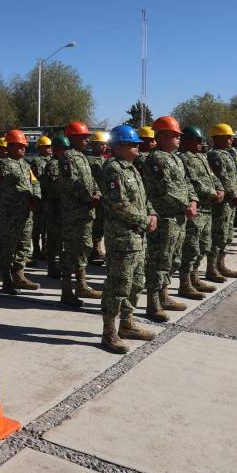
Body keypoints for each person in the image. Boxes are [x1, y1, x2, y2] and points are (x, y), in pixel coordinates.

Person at [99, 124, 158, 353]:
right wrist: (145, 220)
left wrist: (151, 213)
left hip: (138, 237)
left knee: (136, 282)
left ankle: (127, 324)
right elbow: (118, 203)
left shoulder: (131, 168)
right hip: (122, 238)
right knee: (118, 285)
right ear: (120, 147)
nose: (138, 149)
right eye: (134, 145)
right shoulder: (113, 169)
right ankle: (109, 333)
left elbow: (143, 198)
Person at [141, 116, 198, 322]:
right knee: (159, 261)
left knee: (173, 259)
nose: (179, 139)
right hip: (165, 218)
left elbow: (186, 183)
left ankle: (164, 296)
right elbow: (165, 189)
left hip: (179, 218)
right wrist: (185, 205)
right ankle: (153, 304)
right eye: (175, 136)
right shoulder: (156, 159)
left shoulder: (176, 158)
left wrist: (193, 200)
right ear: (162, 136)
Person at [59, 121, 103, 307]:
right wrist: (88, 198)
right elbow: (73, 182)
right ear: (73, 138)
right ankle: (67, 291)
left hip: (85, 212)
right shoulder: (67, 158)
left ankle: (82, 285)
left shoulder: (83, 157)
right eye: (83, 137)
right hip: (73, 214)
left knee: (84, 248)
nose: (87, 140)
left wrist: (98, 193)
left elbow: (91, 180)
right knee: (71, 251)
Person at [178, 125, 224, 300]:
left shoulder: (202, 157)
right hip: (196, 209)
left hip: (207, 209)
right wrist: (211, 193)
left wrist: (219, 188)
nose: (200, 144)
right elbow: (191, 182)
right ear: (187, 141)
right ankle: (185, 283)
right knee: (191, 248)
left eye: (201, 141)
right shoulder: (184, 158)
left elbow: (212, 176)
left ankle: (194, 277)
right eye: (197, 140)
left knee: (204, 246)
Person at [0, 129, 41, 294]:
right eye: (20, 146)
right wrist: (25, 197)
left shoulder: (25, 165)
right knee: (9, 246)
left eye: (24, 146)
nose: (24, 149)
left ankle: (19, 275)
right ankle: (7, 280)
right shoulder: (4, 164)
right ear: (10, 146)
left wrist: (36, 196)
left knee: (23, 245)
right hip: (11, 213)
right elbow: (5, 185)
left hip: (26, 212)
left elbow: (35, 182)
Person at [207, 124, 237, 281]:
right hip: (223, 202)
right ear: (218, 138)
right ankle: (212, 268)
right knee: (218, 234)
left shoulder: (229, 154)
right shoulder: (214, 155)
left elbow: (236, 175)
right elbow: (222, 177)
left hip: (232, 201)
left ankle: (221, 264)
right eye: (228, 137)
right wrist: (233, 193)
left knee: (227, 234)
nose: (231, 140)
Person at [41, 135, 69, 279]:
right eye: (61, 149)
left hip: (63, 206)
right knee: (53, 238)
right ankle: (52, 266)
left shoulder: (65, 162)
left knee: (63, 239)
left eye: (65, 149)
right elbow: (53, 185)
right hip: (54, 206)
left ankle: (60, 266)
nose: (64, 151)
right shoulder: (52, 164)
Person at [28, 136, 54, 262]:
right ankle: (36, 249)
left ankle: (45, 248)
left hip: (50, 197)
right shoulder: (36, 161)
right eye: (47, 147)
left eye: (50, 147)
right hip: (40, 197)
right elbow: (34, 179)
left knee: (47, 225)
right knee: (37, 224)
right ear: (41, 148)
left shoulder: (53, 160)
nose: (50, 149)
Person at [87, 131, 110, 264]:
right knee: (95, 223)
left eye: (105, 145)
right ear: (94, 145)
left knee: (101, 223)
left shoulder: (105, 160)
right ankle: (94, 249)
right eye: (101, 145)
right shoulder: (89, 160)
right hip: (95, 197)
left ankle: (98, 249)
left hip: (105, 197)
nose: (104, 147)